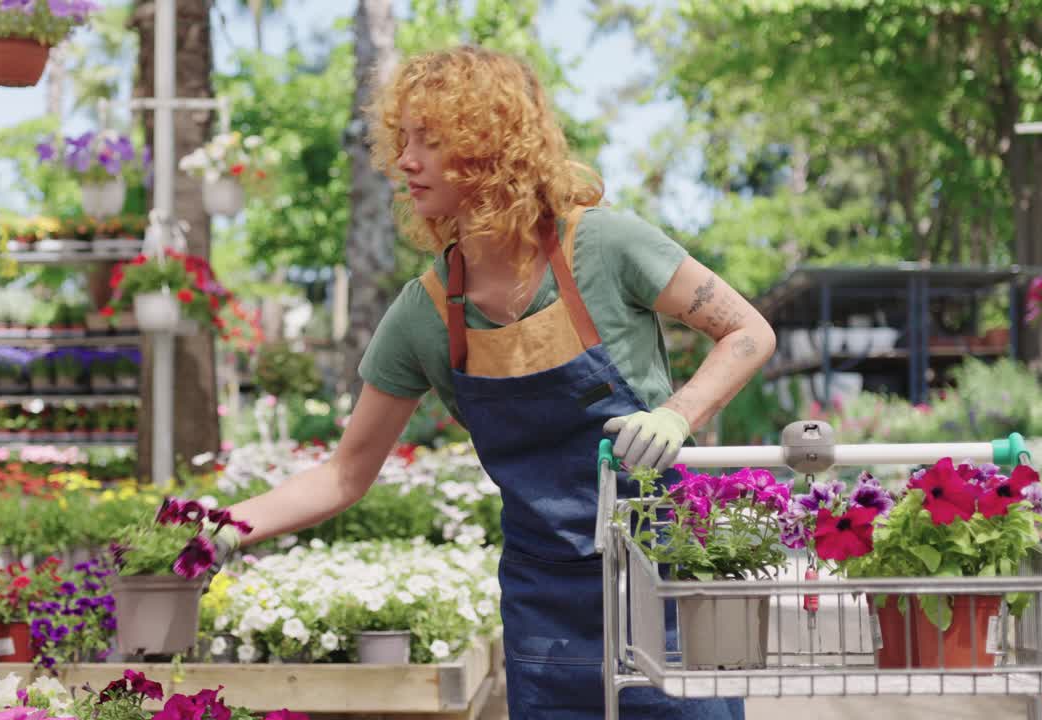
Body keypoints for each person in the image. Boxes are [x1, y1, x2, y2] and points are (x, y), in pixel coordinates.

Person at [216, 46, 776, 720]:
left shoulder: (606, 247)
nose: (407, 162)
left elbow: (748, 333)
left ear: (493, 148)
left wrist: (677, 415)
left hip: (666, 581)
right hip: (547, 610)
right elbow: (344, 474)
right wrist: (217, 528)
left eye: (433, 140)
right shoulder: (424, 315)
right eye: (405, 140)